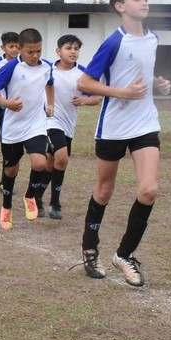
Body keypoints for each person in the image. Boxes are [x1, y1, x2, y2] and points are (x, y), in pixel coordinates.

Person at [76, 0, 170, 287]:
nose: (145, 3)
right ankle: (90, 248)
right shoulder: (113, 42)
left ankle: (125, 254)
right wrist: (122, 92)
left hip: (145, 124)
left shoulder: (153, 38)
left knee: (149, 190)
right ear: (121, 6)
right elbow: (85, 83)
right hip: (114, 126)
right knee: (104, 191)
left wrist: (157, 83)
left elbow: (140, 70)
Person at [0, 28, 54, 230]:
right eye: (30, 51)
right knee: (11, 170)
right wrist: (5, 103)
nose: (35, 56)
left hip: (35, 124)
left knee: (40, 163)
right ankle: (6, 207)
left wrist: (51, 104)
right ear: (20, 49)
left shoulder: (47, 66)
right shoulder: (11, 68)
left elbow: (50, 84)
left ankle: (30, 195)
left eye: (38, 51)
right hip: (13, 127)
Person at [36, 35, 100, 219]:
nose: (73, 52)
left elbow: (96, 98)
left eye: (76, 49)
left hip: (68, 125)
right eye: (68, 48)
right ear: (58, 51)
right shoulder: (48, 71)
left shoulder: (83, 74)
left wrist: (85, 100)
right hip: (49, 121)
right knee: (62, 159)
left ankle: (37, 196)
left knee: (51, 162)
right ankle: (55, 202)